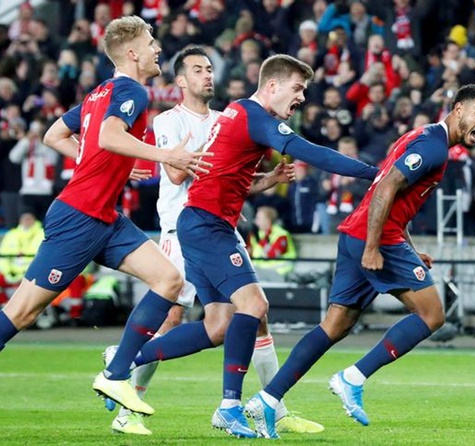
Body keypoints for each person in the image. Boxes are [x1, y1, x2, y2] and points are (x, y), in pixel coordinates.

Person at [0, 15, 211, 442]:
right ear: (132, 53)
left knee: (169, 279)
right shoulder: (130, 89)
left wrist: (101, 162)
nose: (157, 48)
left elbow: (56, 134)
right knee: (22, 312)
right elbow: (110, 136)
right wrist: (162, 156)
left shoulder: (100, 91)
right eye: (150, 42)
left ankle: (115, 373)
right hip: (78, 218)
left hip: (106, 217)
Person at [129, 54, 378, 439]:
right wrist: (374, 172)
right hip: (203, 225)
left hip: (205, 222)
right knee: (251, 306)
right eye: (297, 89)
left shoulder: (234, 114)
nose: (301, 99)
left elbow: (226, 177)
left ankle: (126, 359)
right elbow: (309, 151)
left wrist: (265, 179)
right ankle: (233, 405)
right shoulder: (250, 115)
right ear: (273, 86)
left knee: (218, 325)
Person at [244, 84, 475, 438]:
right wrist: (374, 248)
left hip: (358, 233)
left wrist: (408, 248)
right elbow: (385, 187)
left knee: (335, 326)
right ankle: (353, 377)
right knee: (432, 315)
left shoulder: (421, 137)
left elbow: (396, 196)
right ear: (457, 109)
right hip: (374, 238)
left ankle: (267, 400)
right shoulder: (433, 147)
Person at [102, 46, 322, 436]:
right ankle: (126, 400)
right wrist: (209, 155)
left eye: (209, 68)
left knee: (253, 314)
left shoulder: (227, 118)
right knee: (171, 315)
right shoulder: (169, 121)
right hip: (180, 227)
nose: (207, 75)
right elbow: (174, 174)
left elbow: (234, 184)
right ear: (181, 81)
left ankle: (276, 406)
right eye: (198, 70)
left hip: (221, 226)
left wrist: (268, 180)